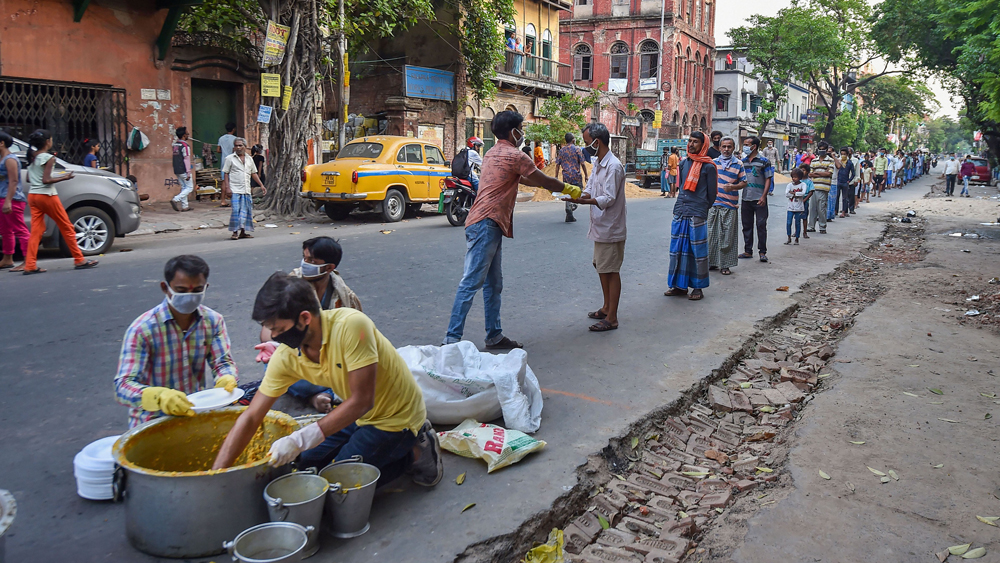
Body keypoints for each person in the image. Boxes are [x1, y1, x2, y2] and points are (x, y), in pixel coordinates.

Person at [211, 273, 444, 488]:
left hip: (395, 418)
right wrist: (215, 476)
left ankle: (416, 452)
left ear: (304, 318)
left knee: (336, 487)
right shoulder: (286, 355)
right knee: (303, 467)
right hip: (357, 415)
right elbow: (252, 416)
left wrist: (300, 438)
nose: (273, 337)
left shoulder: (352, 326)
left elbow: (363, 401)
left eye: (278, 328)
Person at [443, 110, 579, 349]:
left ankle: (494, 335)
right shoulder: (515, 155)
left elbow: (525, 179)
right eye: (521, 129)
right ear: (514, 131)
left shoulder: (492, 153)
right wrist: (573, 190)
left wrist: (553, 187)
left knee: (493, 284)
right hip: (486, 222)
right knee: (472, 282)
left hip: (486, 223)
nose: (523, 134)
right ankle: (451, 341)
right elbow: (543, 180)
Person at [114, 255, 237, 428]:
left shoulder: (213, 321)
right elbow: (123, 386)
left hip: (195, 412)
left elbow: (222, 362)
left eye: (196, 291)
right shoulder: (143, 329)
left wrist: (227, 377)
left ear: (206, 288)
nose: (189, 296)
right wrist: (157, 397)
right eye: (181, 290)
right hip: (153, 421)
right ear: (165, 287)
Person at [255, 237, 362, 414]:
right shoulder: (290, 286)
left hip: (329, 355)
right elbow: (268, 328)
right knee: (273, 362)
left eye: (312, 261)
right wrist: (274, 345)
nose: (305, 264)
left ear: (329, 268)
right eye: (304, 258)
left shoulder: (344, 296)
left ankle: (320, 392)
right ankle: (323, 393)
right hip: (296, 351)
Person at [567, 123, 626, 332]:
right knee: (601, 266)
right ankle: (606, 307)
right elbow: (590, 188)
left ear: (596, 142)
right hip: (601, 225)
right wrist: (576, 195)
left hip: (611, 226)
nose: (584, 146)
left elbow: (608, 198)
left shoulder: (614, 166)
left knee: (610, 270)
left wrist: (586, 201)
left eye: (585, 142)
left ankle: (612, 317)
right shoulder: (598, 163)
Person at [22, 130, 99, 274]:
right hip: (47, 195)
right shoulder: (49, 158)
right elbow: (46, 180)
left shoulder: (32, 156)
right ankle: (79, 259)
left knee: (36, 230)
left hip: (33, 195)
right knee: (66, 226)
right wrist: (64, 178)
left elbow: (29, 179)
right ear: (47, 142)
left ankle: (30, 264)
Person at [664, 131, 717, 301]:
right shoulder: (684, 163)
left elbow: (712, 195)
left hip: (697, 212)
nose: (691, 144)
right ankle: (679, 286)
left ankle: (698, 287)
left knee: (697, 252)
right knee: (677, 250)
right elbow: (681, 188)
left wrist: (701, 207)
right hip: (680, 210)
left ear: (704, 145)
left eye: (695, 142)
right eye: (690, 141)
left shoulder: (709, 167)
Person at [707, 137, 747, 276]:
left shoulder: (739, 164)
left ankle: (725, 265)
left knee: (727, 237)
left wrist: (734, 186)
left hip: (730, 205)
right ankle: (712, 262)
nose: (726, 149)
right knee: (712, 235)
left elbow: (744, 182)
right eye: (723, 146)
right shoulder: (713, 163)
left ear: (733, 148)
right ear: (719, 148)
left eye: (729, 147)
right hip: (713, 205)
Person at [738, 136, 773, 263]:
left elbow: (768, 178)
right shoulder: (743, 162)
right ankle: (748, 250)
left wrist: (764, 196)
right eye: (744, 144)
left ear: (755, 146)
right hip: (746, 198)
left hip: (759, 198)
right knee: (746, 225)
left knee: (761, 225)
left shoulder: (764, 161)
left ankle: (762, 252)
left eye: (747, 144)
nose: (745, 147)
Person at [223, 137, 266, 240]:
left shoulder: (249, 159)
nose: (238, 147)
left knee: (246, 211)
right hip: (235, 189)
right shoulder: (229, 158)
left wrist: (261, 185)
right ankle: (234, 232)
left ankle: (243, 232)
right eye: (236, 145)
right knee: (236, 211)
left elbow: (253, 173)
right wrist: (227, 188)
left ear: (245, 147)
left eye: (240, 145)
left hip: (246, 189)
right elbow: (226, 173)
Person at [0, 131, 29, 271]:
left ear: (2, 143)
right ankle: (7, 258)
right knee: (6, 231)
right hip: (4, 198)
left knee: (20, 230)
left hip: (12, 199)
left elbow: (14, 181)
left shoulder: (10, 160)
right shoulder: (3, 159)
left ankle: (28, 260)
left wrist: (8, 201)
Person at [556, 133, 589, 222]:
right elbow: (582, 163)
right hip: (576, 176)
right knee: (579, 191)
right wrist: (586, 175)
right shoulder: (577, 149)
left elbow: (557, 164)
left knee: (567, 193)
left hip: (566, 176)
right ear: (573, 140)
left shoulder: (562, 150)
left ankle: (568, 212)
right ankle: (573, 206)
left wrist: (555, 176)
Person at [807, 141, 839, 235]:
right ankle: (811, 226)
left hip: (823, 187)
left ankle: (822, 226)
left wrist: (816, 173)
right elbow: (810, 173)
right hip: (813, 187)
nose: (821, 151)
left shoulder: (830, 160)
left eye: (823, 149)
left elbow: (829, 173)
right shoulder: (814, 161)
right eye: (820, 149)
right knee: (812, 208)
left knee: (821, 208)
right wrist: (822, 172)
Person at [170, 127, 195, 212]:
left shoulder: (175, 145)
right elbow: (186, 159)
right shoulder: (185, 146)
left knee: (184, 187)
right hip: (183, 169)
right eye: (187, 134)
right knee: (190, 187)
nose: (188, 135)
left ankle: (185, 206)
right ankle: (175, 199)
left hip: (176, 169)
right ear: (184, 135)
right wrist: (188, 172)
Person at [785, 168, 808, 245]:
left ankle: (797, 238)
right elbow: (786, 194)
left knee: (797, 223)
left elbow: (803, 193)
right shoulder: (789, 185)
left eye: (795, 177)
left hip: (799, 207)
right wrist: (797, 193)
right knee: (788, 223)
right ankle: (789, 237)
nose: (794, 178)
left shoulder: (803, 185)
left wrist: (794, 193)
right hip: (790, 207)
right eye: (793, 177)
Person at [217, 122, 237, 206]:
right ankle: (233, 200)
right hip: (232, 162)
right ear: (233, 129)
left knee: (224, 182)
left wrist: (224, 152)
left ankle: (223, 200)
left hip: (223, 162)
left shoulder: (221, 138)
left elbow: (218, 150)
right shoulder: (235, 139)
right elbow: (234, 151)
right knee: (234, 182)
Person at [836, 146, 856, 218]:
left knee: (845, 198)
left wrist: (849, 180)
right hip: (838, 181)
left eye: (844, 154)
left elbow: (853, 173)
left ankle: (844, 212)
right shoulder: (838, 162)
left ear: (847, 154)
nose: (843, 155)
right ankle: (836, 211)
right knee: (836, 196)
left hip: (845, 182)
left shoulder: (850, 163)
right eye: (842, 154)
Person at [797, 164, 814, 239]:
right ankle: (797, 232)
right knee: (797, 217)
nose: (802, 172)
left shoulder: (809, 181)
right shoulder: (798, 181)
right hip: (797, 200)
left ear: (807, 172)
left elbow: (811, 191)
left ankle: (804, 232)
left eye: (803, 170)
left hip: (805, 201)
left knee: (804, 217)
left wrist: (805, 200)